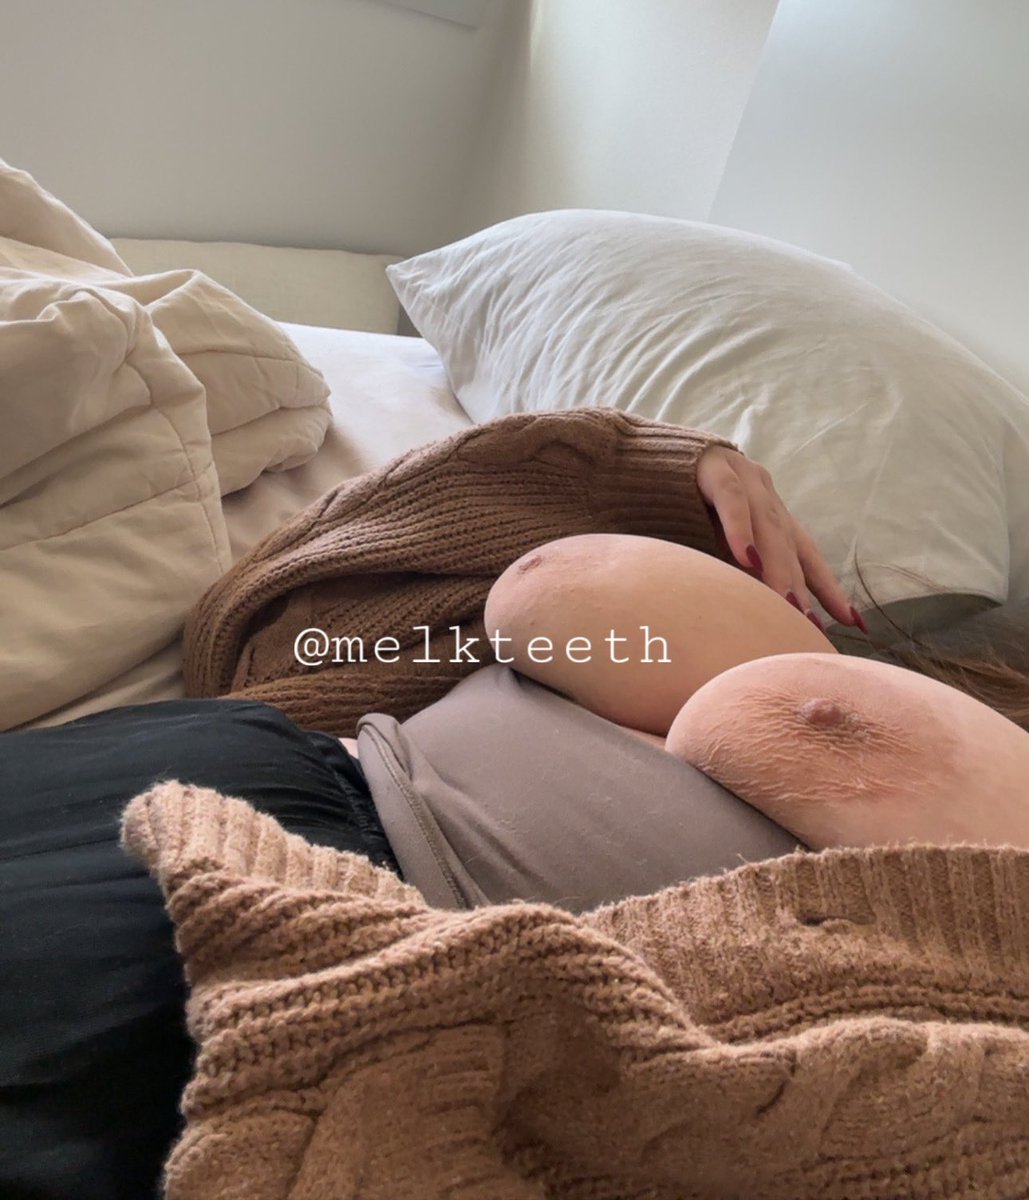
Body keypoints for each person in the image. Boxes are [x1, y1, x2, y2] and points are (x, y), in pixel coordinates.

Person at [2, 411, 1027, 1200]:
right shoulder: (727, 641)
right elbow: (314, 581)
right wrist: (674, 466)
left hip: (348, 942)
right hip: (264, 771)